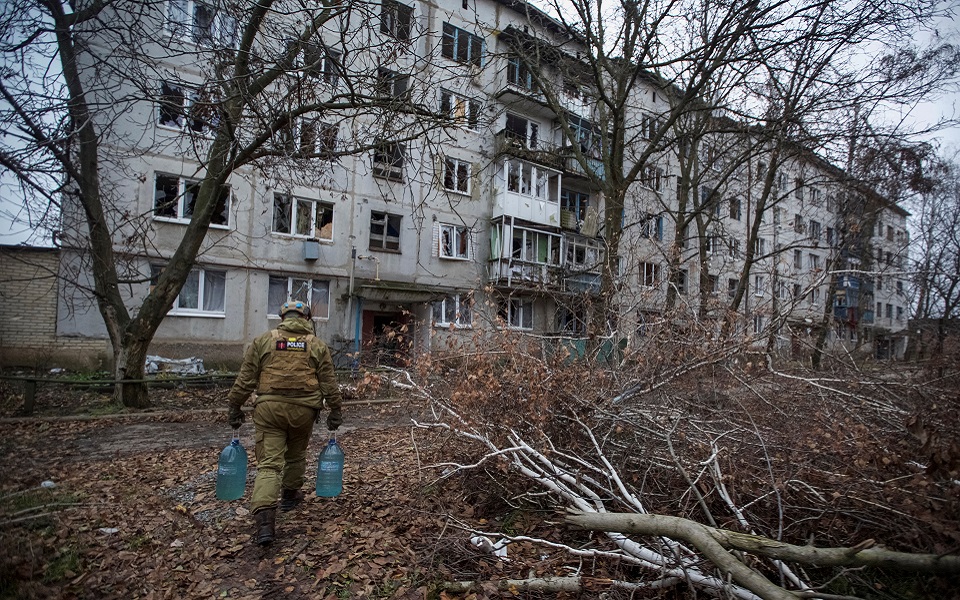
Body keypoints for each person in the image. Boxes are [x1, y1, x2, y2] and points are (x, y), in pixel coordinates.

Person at [226, 300, 343, 546]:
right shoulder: (317, 345)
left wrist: (234, 406)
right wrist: (336, 410)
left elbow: (246, 379)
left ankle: (266, 524)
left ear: (282, 317)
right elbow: (329, 384)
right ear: (306, 319)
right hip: (303, 412)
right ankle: (290, 497)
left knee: (269, 465)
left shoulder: (263, 341)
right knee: (296, 455)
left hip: (269, 411)